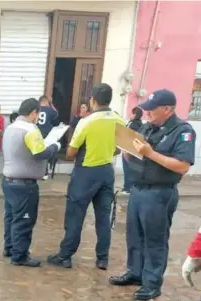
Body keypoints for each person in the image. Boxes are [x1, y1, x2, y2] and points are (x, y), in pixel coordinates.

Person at [109, 89, 197, 300]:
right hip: (138, 189)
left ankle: (152, 283)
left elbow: (182, 166)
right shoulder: (148, 128)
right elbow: (137, 158)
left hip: (159, 192)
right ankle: (135, 272)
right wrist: (127, 150)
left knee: (155, 239)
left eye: (151, 110)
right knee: (134, 235)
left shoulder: (182, 131)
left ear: (167, 109)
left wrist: (151, 153)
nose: (147, 113)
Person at [47, 83, 125, 270]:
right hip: (107, 171)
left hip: (86, 172)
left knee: (75, 215)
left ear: (93, 100)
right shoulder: (118, 119)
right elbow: (118, 149)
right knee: (103, 216)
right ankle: (102, 258)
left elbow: (71, 152)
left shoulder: (87, 122)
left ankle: (65, 256)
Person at [1, 98, 61, 267]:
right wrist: (54, 147)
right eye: (37, 114)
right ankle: (19, 256)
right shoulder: (30, 130)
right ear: (33, 112)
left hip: (8, 181)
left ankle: (10, 247)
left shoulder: (10, 128)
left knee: (11, 217)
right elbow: (39, 153)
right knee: (24, 220)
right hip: (24, 184)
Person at [121, 106, 143, 193]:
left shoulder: (133, 124)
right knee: (132, 169)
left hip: (128, 150)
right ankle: (130, 187)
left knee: (127, 169)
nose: (130, 114)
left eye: (132, 113)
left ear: (135, 114)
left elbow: (128, 136)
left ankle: (127, 188)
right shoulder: (140, 124)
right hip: (133, 150)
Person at [36, 95, 59, 181]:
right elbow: (56, 114)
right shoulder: (49, 109)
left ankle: (40, 171)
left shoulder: (36, 110)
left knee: (38, 151)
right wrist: (51, 104)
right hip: (47, 133)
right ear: (46, 101)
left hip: (37, 133)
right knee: (46, 152)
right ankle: (45, 172)